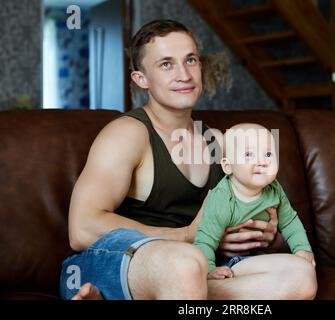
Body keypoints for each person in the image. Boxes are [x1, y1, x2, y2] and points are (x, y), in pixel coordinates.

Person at [60, 19, 317, 300]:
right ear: (141, 79)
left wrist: (269, 236)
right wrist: (187, 234)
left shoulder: (218, 141)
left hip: (204, 267)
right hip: (122, 261)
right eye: (167, 64)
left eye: (191, 60)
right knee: (185, 265)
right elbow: (81, 228)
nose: (184, 74)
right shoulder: (128, 134)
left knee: (300, 275)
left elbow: (264, 216)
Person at [194, 123, 315, 280]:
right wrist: (209, 269)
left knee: (301, 271)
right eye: (249, 154)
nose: (262, 162)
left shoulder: (274, 189)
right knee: (295, 274)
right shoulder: (223, 198)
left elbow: (290, 222)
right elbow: (204, 239)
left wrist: (303, 249)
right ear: (228, 166)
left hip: (262, 257)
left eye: (268, 155)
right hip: (228, 264)